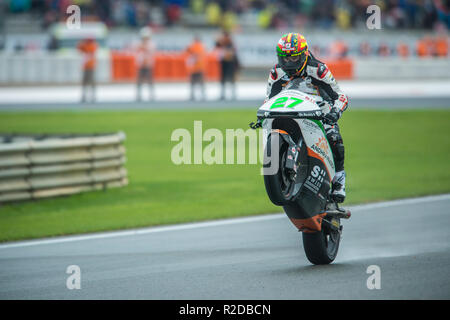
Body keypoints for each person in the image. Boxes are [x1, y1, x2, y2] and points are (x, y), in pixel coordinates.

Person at [264, 32, 349, 202]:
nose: (288, 62)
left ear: (303, 55)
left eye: (293, 58)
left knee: (334, 136)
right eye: (284, 58)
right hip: (289, 108)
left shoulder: (318, 69)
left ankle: (339, 180)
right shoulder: (276, 72)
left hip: (318, 110)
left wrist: (335, 112)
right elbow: (269, 98)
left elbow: (340, 96)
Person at [216, 31, 239, 100]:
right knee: (223, 79)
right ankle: (223, 94)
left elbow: (233, 54)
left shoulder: (230, 44)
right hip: (224, 63)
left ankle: (233, 94)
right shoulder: (223, 44)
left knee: (231, 79)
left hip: (229, 63)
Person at [136, 27, 156, 101]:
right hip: (141, 65)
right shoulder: (139, 43)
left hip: (148, 65)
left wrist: (143, 46)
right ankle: (139, 95)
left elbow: (149, 50)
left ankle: (151, 95)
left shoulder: (151, 44)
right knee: (139, 81)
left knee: (150, 80)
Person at [185, 35, 206, 101]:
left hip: (195, 67)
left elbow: (188, 51)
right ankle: (202, 95)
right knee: (200, 82)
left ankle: (193, 95)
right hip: (200, 66)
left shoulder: (194, 46)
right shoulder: (202, 46)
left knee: (193, 82)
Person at [77, 37, 98, 103]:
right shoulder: (85, 45)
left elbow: (85, 50)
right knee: (85, 82)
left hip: (90, 66)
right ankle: (85, 96)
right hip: (86, 66)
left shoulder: (92, 46)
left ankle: (92, 96)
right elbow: (79, 48)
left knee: (91, 81)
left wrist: (82, 44)